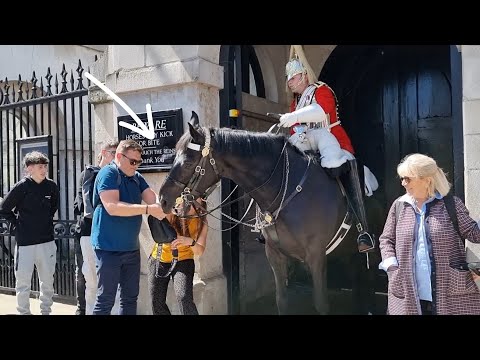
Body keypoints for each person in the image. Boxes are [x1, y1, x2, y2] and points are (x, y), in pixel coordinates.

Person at [278, 45, 375, 253]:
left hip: (334, 143)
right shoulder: (296, 103)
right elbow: (296, 128)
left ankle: (362, 230)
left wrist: (294, 118)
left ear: (304, 76)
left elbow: (321, 112)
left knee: (349, 172)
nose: (289, 82)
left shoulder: (322, 90)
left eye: (293, 78)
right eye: (288, 78)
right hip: (307, 146)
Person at [378, 153, 480, 315]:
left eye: (408, 178)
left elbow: (475, 234)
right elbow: (386, 240)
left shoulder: (451, 205)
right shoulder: (399, 206)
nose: (403, 183)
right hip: (407, 291)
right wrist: (392, 266)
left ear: (426, 180)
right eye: (402, 179)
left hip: (450, 292)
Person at [90, 139, 165, 315]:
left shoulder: (137, 177)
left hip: (131, 249)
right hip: (108, 248)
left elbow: (153, 199)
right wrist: (148, 209)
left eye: (139, 162)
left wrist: (169, 205)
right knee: (105, 299)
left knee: (130, 298)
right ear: (118, 156)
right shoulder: (108, 173)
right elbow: (112, 207)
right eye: (132, 161)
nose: (136, 165)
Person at [0, 151, 59, 315]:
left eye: (45, 166)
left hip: (47, 241)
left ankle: (46, 311)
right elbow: (4, 209)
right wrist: (17, 225)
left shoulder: (51, 186)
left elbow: (53, 207)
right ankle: (24, 312)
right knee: (23, 282)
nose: (44, 170)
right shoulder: (21, 187)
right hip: (25, 243)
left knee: (47, 281)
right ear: (29, 169)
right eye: (40, 167)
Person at [73, 140, 118, 315]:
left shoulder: (115, 174)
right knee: (87, 274)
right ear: (104, 152)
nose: (116, 156)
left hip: (107, 232)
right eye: (113, 152)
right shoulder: (91, 172)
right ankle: (83, 309)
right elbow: (87, 207)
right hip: (88, 231)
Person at [147, 198, 208, 315]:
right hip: (159, 258)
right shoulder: (175, 210)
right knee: (156, 301)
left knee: (183, 297)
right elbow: (161, 212)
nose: (192, 200)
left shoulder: (202, 220)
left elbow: (200, 250)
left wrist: (190, 242)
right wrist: (173, 206)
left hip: (184, 261)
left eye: (197, 197)